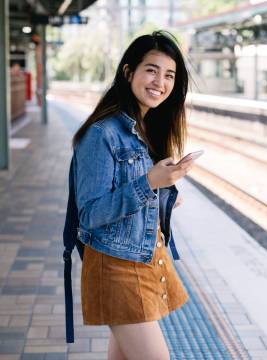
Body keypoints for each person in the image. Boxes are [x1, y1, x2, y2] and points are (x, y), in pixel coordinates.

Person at [65, 31, 193, 359]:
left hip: (145, 258)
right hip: (116, 267)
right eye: (151, 70)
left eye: (169, 75)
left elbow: (134, 197)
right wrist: (149, 183)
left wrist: (164, 192)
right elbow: (91, 214)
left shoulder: (146, 129)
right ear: (128, 72)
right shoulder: (101, 133)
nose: (160, 82)